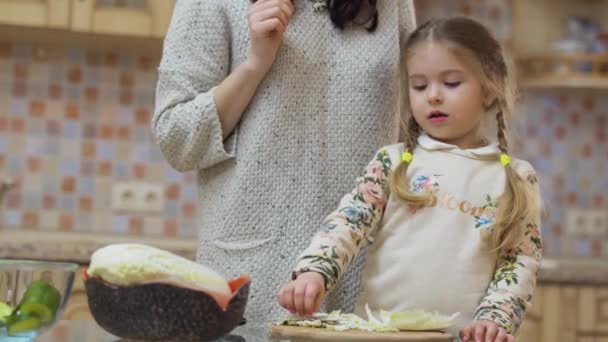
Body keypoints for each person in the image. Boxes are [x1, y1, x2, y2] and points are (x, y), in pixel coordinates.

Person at [277, 17, 543, 342]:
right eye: (419, 85)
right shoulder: (393, 162)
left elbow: (518, 260)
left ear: (489, 90)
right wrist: (314, 271)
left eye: (451, 83)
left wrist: (496, 320)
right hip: (378, 336)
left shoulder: (515, 177)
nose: (433, 96)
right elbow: (348, 223)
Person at [152, 0, 417, 323]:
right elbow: (176, 140)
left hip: (365, 290)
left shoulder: (394, 5)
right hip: (254, 285)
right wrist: (255, 64)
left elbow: (421, 128)